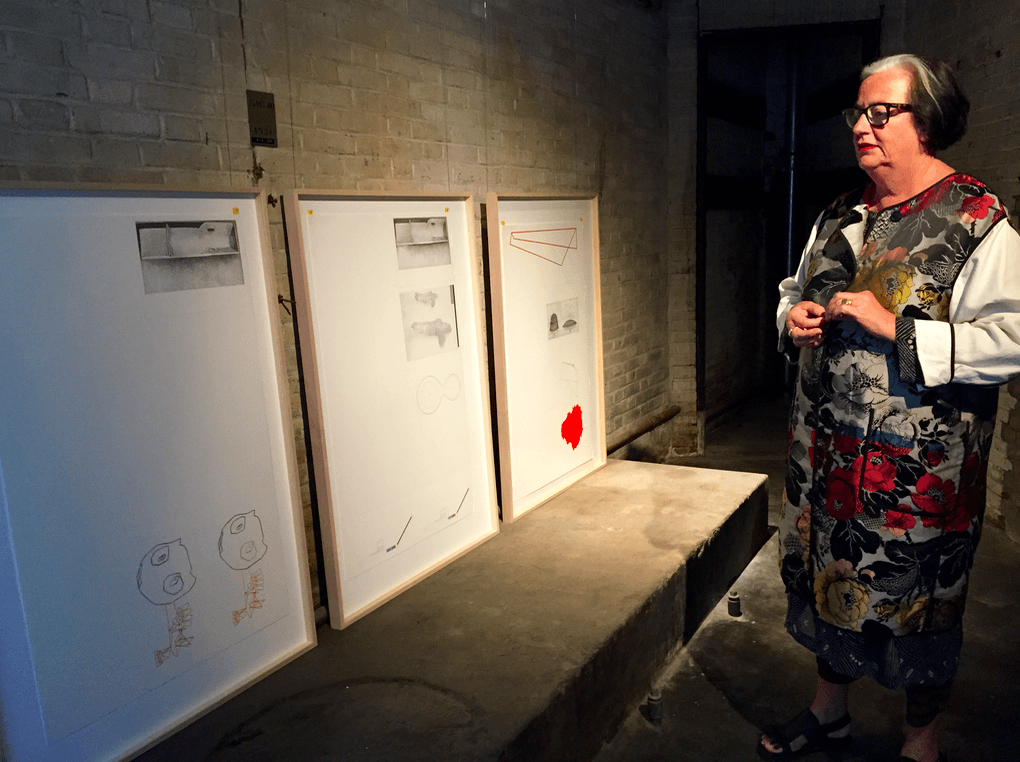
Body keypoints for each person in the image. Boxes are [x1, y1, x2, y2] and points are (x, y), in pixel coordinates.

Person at [760, 54, 1020, 762]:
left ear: (926, 121)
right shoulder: (840, 212)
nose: (862, 127)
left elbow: (1011, 340)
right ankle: (829, 713)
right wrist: (791, 317)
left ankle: (919, 742)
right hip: (826, 459)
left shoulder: (975, 218)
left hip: (919, 474)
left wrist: (896, 328)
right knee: (830, 577)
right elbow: (793, 289)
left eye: (882, 113)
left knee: (919, 602)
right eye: (858, 113)